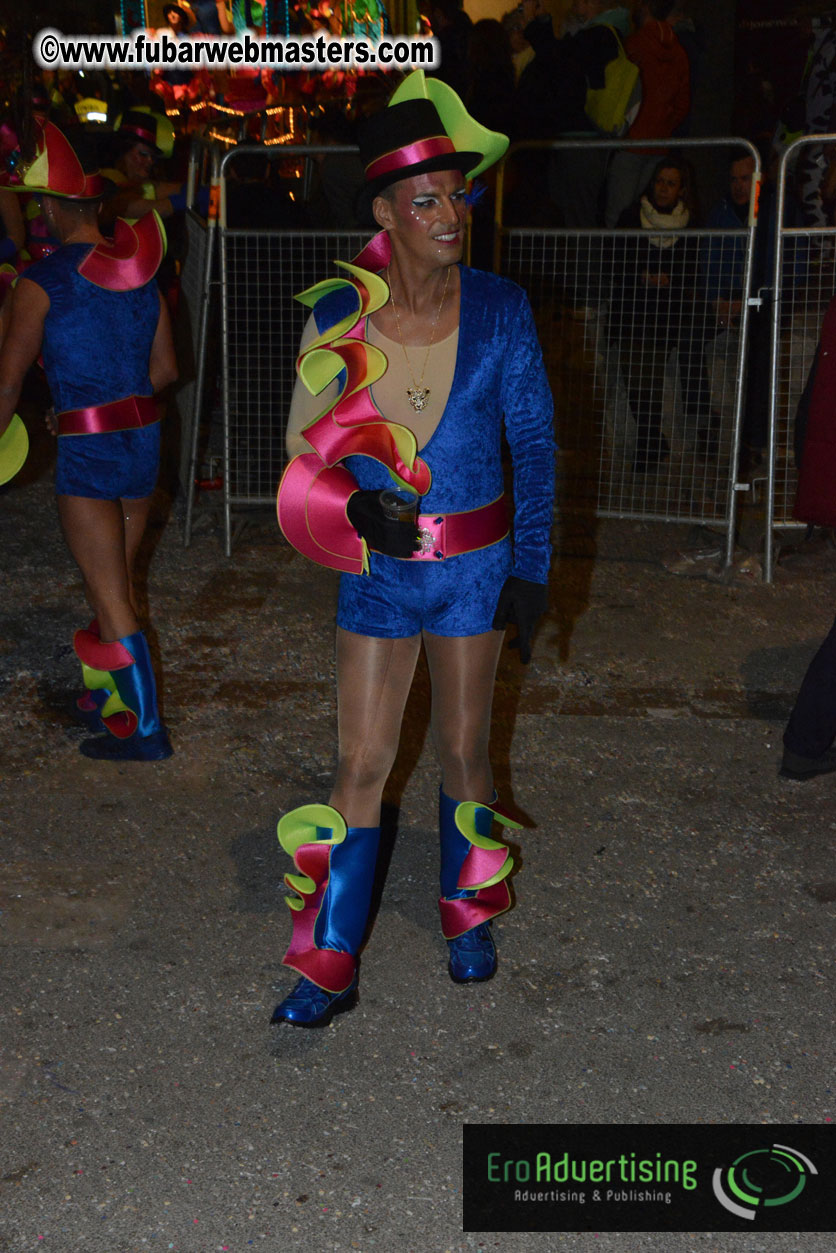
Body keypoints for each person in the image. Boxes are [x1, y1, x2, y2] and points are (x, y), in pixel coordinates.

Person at [271, 69, 555, 1027]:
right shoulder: (339, 313)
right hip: (381, 577)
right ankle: (332, 958)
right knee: (360, 761)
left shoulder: (504, 310)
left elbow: (537, 447)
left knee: (465, 751)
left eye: (457, 195)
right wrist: (354, 508)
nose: (449, 214)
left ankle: (466, 912)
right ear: (385, 211)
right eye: (426, 199)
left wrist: (532, 568)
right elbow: (300, 443)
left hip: (476, 573)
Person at [0, 122, 178, 761]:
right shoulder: (139, 270)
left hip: (93, 454)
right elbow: (165, 372)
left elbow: (9, 381)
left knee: (110, 591)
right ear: (97, 206)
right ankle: (106, 694)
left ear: (47, 208)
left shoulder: (39, 283)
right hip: (143, 442)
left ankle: (146, 732)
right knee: (114, 580)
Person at [612, 155, 712, 473]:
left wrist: (669, 282)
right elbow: (616, 263)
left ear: (681, 189)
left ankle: (650, 441)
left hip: (668, 313)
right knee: (636, 369)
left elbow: (692, 271)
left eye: (671, 183)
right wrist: (642, 277)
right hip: (633, 311)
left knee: (652, 368)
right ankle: (651, 439)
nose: (663, 188)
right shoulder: (632, 218)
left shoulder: (690, 224)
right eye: (659, 181)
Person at [604, 0, 691, 229]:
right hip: (659, 145)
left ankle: (616, 264)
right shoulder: (679, 51)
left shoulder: (633, 44)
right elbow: (682, 104)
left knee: (618, 216)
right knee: (648, 218)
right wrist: (663, 126)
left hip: (631, 142)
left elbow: (617, 93)